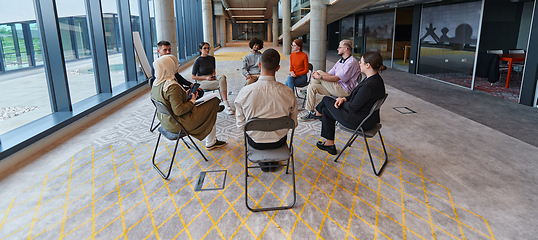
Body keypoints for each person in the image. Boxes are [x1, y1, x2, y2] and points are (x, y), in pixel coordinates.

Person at [235, 49, 298, 171]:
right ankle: (272, 160)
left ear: (259, 65)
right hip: (279, 141)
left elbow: (241, 125)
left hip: (255, 142)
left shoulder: (245, 92)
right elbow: (293, 123)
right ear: (278, 68)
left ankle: (264, 160)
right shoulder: (288, 92)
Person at [315, 52, 387, 155]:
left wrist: (340, 101)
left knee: (326, 100)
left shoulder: (368, 86)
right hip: (369, 119)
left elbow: (353, 107)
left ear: (368, 65)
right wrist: (344, 99)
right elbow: (357, 97)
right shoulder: (376, 80)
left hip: (359, 121)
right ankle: (329, 143)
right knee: (326, 110)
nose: (359, 63)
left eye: (361, 62)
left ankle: (317, 113)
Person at [150, 55, 227, 150]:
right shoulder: (172, 86)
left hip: (166, 122)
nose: (176, 67)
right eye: (174, 65)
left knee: (210, 104)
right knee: (213, 102)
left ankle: (215, 109)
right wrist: (192, 101)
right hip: (179, 123)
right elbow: (179, 111)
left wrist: (184, 96)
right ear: (169, 67)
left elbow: (169, 102)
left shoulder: (156, 84)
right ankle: (211, 142)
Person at [300, 39, 360, 121]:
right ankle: (310, 111)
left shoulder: (351, 62)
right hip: (334, 87)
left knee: (319, 72)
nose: (337, 49)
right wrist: (318, 76)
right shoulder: (340, 60)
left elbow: (336, 78)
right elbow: (330, 74)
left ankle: (309, 86)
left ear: (346, 49)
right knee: (312, 87)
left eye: (340, 47)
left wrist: (319, 77)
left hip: (344, 91)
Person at [192, 42, 234, 115]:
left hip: (211, 77)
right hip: (202, 81)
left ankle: (225, 103)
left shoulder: (212, 58)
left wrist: (213, 76)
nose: (207, 50)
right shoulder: (198, 60)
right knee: (221, 84)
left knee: (222, 77)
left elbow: (214, 71)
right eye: (205, 48)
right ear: (200, 50)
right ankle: (226, 104)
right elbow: (193, 76)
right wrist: (206, 78)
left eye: (208, 48)